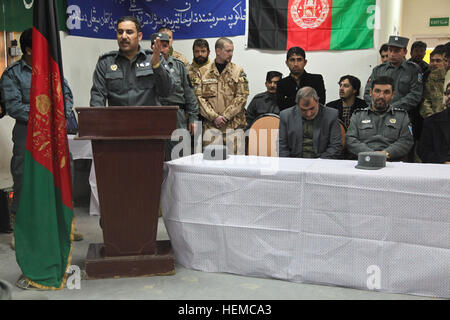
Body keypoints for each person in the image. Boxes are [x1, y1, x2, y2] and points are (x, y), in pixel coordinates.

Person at [0, 28, 81, 249]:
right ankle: (21, 230)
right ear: (28, 50)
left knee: (64, 174)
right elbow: (14, 106)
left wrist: (59, 113)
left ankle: (66, 223)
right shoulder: (13, 74)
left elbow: (66, 97)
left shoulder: (52, 70)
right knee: (24, 179)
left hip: (55, 135)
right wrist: (45, 116)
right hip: (27, 136)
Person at [90, 16, 172, 107]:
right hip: (117, 120)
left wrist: (156, 66)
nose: (124, 36)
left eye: (129, 32)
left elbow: (166, 92)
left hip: (148, 120)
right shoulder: (106, 62)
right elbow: (97, 98)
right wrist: (97, 119)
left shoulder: (154, 58)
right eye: (120, 32)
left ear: (139, 36)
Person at [194, 37, 249, 154]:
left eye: (232, 51)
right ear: (218, 51)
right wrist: (214, 117)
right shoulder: (203, 72)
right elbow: (198, 98)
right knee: (212, 165)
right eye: (228, 51)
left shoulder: (237, 71)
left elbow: (242, 96)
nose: (231, 54)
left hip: (233, 126)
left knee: (236, 165)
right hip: (212, 127)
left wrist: (225, 116)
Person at [152, 32, 199, 160]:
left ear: (170, 47)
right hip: (156, 114)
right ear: (153, 46)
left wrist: (193, 117)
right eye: (159, 45)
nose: (162, 48)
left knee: (180, 156)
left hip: (177, 115)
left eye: (165, 45)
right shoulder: (147, 65)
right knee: (157, 157)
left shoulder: (179, 65)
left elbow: (189, 93)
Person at [347, 76, 414, 161]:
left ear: (393, 95)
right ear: (371, 92)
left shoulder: (402, 116)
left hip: (392, 163)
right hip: (363, 160)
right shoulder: (358, 115)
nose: (381, 96)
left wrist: (385, 154)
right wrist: (371, 154)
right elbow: (350, 139)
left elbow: (406, 141)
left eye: (386, 92)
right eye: (377, 91)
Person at [278, 86, 342, 159]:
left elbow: (335, 147)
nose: (308, 113)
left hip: (323, 162)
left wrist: (318, 163)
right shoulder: (285, 116)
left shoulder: (331, 115)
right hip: (295, 162)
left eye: (312, 108)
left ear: (318, 101)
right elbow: (282, 147)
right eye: (303, 110)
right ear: (297, 104)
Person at [276, 46, 326, 111]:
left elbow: (321, 103)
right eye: (292, 60)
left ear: (305, 62)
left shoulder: (316, 79)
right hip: (290, 119)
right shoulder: (281, 83)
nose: (296, 64)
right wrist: (309, 98)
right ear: (287, 63)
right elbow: (282, 107)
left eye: (299, 60)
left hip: (313, 118)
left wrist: (289, 99)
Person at [418, 83, 450, 164]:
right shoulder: (432, 122)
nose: (449, 96)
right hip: (439, 169)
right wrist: (443, 162)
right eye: (448, 93)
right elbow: (423, 151)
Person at [419, 45, 447, 118]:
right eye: (432, 60)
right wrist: (432, 118)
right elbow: (425, 101)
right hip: (432, 119)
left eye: (438, 61)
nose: (434, 63)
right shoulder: (426, 77)